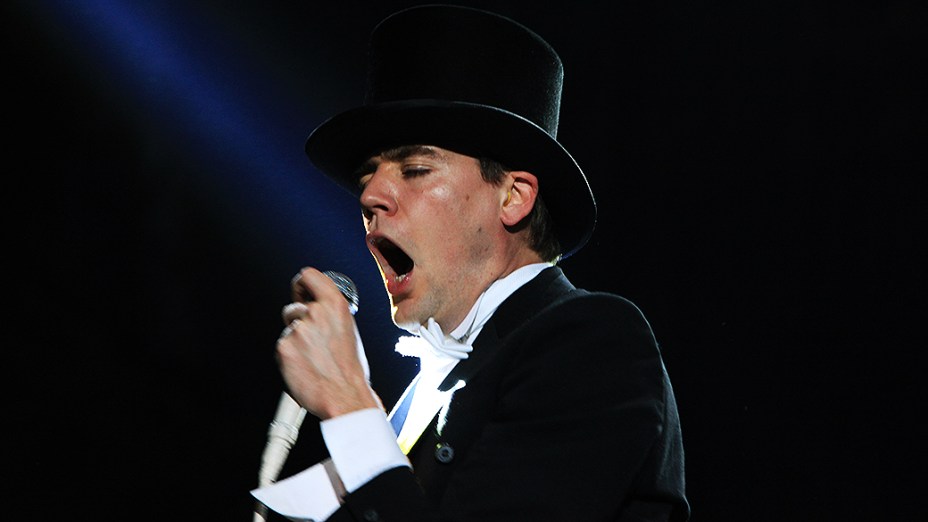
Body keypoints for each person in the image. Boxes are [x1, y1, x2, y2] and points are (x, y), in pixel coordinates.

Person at [252, 5, 689, 521]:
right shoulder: (419, 397)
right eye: (367, 176)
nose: (369, 195)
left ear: (513, 197)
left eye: (415, 168)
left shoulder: (595, 341)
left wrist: (348, 402)